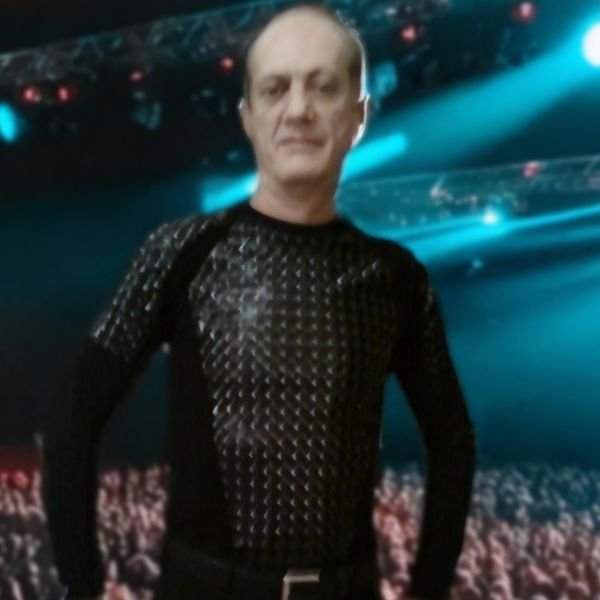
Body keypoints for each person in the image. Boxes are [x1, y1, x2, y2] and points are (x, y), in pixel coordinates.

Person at [41, 3, 476, 600]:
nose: (297, 109)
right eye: (275, 88)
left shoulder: (396, 277)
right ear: (248, 117)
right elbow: (74, 411)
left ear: (358, 114)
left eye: (323, 87)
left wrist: (429, 589)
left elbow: (452, 438)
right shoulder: (180, 251)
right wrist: (80, 583)